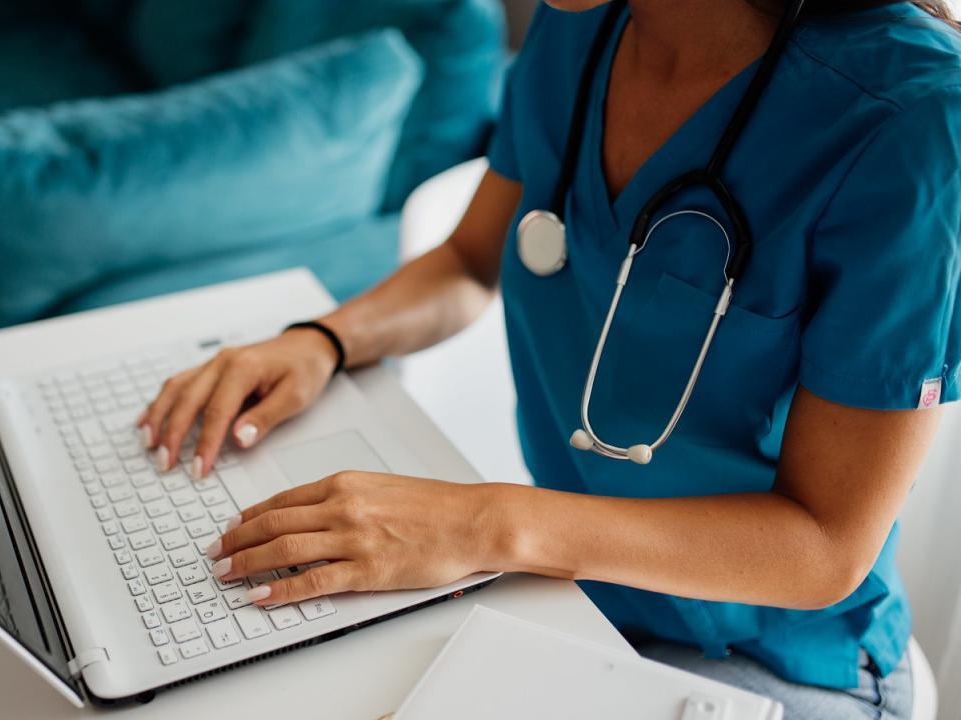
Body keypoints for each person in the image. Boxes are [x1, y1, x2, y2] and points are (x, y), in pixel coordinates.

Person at [137, 1, 961, 716]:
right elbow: (469, 260)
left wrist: (483, 522)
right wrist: (321, 341)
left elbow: (823, 548)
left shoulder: (916, 124)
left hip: (767, 658)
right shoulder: (585, 24)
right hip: (565, 591)